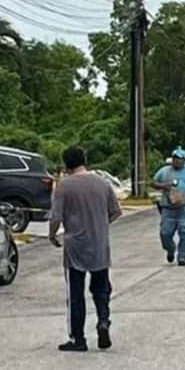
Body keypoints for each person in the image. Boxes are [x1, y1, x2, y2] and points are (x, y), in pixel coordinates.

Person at [49, 146, 123, 352]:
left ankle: (78, 339)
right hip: (99, 243)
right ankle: (103, 320)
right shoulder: (102, 183)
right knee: (101, 287)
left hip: (75, 246)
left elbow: (56, 216)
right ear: (85, 160)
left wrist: (52, 234)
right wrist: (100, 223)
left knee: (75, 294)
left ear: (66, 164)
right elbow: (116, 212)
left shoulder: (64, 186)